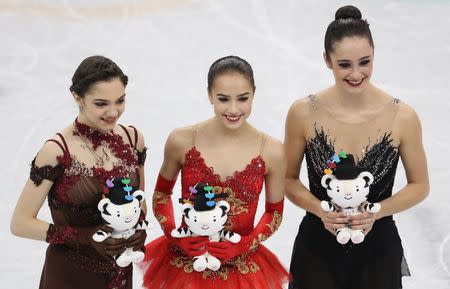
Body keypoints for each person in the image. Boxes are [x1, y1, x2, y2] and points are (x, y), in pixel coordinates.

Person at [285, 5, 429, 289]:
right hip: (317, 246)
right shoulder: (303, 113)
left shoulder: (403, 117)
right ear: (327, 60)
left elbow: (420, 186)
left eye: (365, 62)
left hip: (378, 250)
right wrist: (320, 209)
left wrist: (376, 211)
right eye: (344, 65)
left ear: (374, 56)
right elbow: (288, 180)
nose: (356, 74)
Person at [141, 55, 289, 289]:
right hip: (185, 264)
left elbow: (274, 212)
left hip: (243, 269)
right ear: (210, 95)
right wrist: (175, 234)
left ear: (254, 94)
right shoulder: (182, 140)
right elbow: (161, 195)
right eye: (223, 99)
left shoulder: (272, 150)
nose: (233, 109)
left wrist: (244, 244)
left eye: (243, 99)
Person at [10, 55, 148, 289]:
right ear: (77, 97)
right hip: (70, 274)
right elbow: (20, 223)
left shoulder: (133, 138)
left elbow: (140, 202)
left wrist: (138, 230)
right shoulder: (56, 150)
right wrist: (83, 238)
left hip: (119, 274)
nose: (113, 112)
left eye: (120, 100)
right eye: (101, 104)